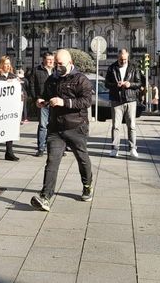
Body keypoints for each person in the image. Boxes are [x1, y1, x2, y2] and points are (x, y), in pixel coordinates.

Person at [30, 49, 95, 212]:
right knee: (52, 161)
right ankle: (45, 197)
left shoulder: (81, 80)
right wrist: (41, 101)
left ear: (70, 63)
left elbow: (87, 101)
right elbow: (46, 95)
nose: (58, 67)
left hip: (76, 126)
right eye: (56, 64)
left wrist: (64, 102)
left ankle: (87, 185)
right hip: (56, 127)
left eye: (61, 65)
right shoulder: (53, 78)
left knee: (82, 158)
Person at [104, 49, 145, 158]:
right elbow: (106, 84)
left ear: (128, 57)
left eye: (125, 59)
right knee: (116, 126)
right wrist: (115, 85)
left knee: (131, 125)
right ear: (118, 57)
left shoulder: (134, 67)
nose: (123, 61)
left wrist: (129, 84)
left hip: (130, 99)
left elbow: (140, 83)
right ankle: (115, 148)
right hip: (116, 100)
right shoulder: (112, 68)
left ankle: (132, 148)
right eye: (121, 59)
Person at [0, 56, 20, 161]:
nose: (7, 66)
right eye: (5, 64)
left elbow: (21, 91)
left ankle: (9, 152)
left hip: (10, 107)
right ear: (1, 65)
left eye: (9, 64)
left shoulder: (13, 76)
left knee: (10, 128)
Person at [28, 52, 54, 157]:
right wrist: (36, 99)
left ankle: (54, 148)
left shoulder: (56, 70)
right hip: (42, 101)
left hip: (54, 101)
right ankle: (41, 148)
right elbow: (32, 85)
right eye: (49, 59)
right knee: (43, 126)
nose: (51, 61)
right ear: (43, 60)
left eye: (52, 59)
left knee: (54, 126)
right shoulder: (36, 70)